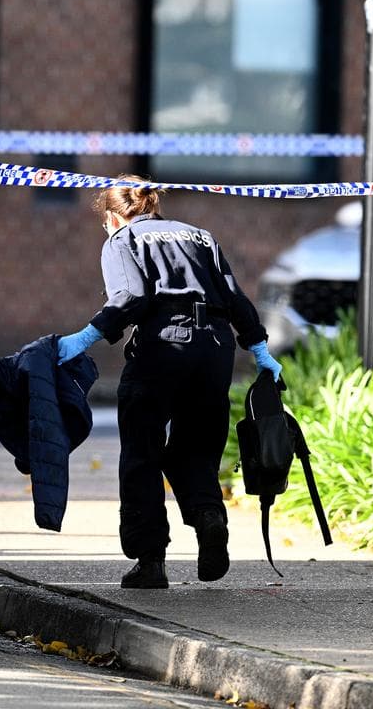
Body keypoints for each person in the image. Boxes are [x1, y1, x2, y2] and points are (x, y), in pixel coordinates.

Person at [56, 175, 283, 589]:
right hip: (215, 349)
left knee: (142, 451)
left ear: (112, 216)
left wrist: (85, 338)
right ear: (152, 206)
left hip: (163, 347)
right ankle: (209, 517)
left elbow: (130, 297)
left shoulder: (121, 241)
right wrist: (260, 350)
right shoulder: (199, 236)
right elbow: (234, 298)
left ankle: (150, 561)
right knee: (195, 448)